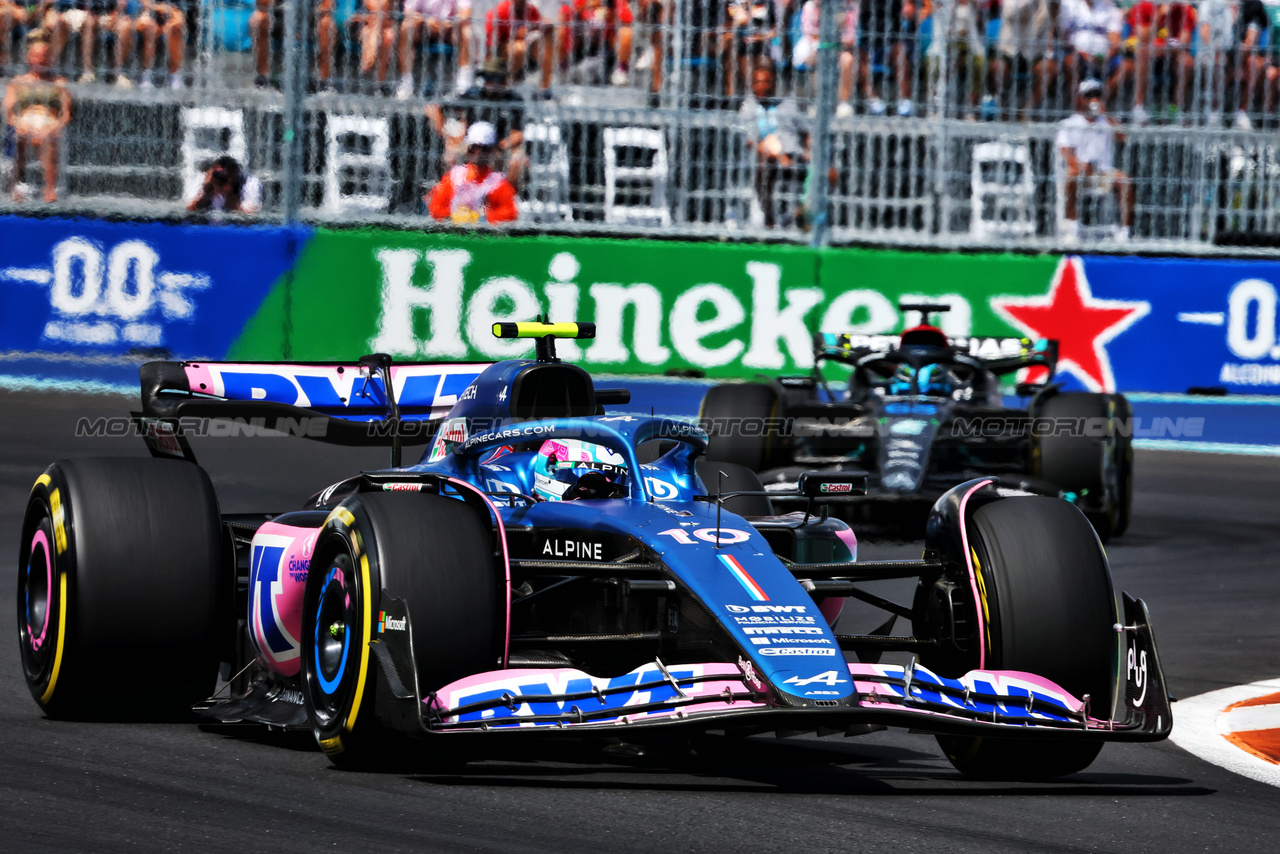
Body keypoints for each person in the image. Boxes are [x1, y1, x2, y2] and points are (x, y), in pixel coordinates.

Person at [424, 56, 527, 185]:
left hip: (500, 144)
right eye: (486, 77)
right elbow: (434, 108)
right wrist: (446, 136)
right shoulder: (473, 95)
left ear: (504, 80)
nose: (490, 82)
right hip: (471, 144)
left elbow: (519, 133)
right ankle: (452, 194)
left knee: (518, 160)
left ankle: (507, 197)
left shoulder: (514, 100)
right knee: (450, 156)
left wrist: (500, 146)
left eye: (494, 77)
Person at [1056, 78, 1132, 243]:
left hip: (1103, 172)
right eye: (1089, 95)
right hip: (1081, 171)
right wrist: (1081, 166)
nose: (1093, 99)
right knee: (1072, 175)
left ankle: (1125, 231)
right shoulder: (1069, 123)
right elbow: (1066, 153)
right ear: (1079, 99)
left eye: (1097, 95)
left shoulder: (1107, 121)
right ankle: (1072, 227)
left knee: (1125, 181)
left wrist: (1106, 115)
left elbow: (1123, 138)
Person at [3, 38, 71, 203]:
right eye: (36, 56)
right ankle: (16, 186)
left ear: (50, 58)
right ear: (29, 58)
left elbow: (66, 114)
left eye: (44, 56)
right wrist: (18, 124)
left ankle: (49, 187)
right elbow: (8, 111)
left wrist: (56, 126)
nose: (40, 59)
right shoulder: (17, 82)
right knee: (19, 135)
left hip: (49, 120)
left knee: (48, 137)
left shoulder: (59, 82)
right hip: (25, 120)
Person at [740, 62, 806, 227]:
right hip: (763, 157)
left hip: (794, 155)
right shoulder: (748, 108)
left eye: (766, 81)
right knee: (765, 150)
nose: (762, 86)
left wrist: (810, 152)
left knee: (829, 172)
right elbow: (748, 140)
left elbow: (806, 133)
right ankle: (769, 215)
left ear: (774, 83)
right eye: (757, 82)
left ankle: (805, 216)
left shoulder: (787, 105)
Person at [1116, 1, 1195, 124]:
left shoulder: (1184, 9)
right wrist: (1158, 16)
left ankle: (1175, 108)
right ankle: (1139, 106)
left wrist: (1166, 49)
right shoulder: (1143, 6)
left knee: (1186, 61)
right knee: (1144, 52)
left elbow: (1185, 41)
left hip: (1170, 54)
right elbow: (1143, 37)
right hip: (1144, 54)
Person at [426, 121, 519, 223]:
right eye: (473, 148)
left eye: (484, 149)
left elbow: (510, 213)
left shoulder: (498, 182)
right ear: (467, 148)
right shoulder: (454, 176)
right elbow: (436, 208)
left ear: (491, 151)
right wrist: (454, 216)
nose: (478, 153)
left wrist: (480, 218)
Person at [397, 0, 474, 98]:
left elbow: (466, 11)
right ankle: (406, 81)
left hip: (449, 28)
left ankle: (464, 83)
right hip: (424, 27)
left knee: (467, 31)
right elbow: (408, 11)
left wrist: (448, 23)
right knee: (406, 28)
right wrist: (427, 20)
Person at [565, 0, 633, 86]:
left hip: (605, 46)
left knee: (626, 31)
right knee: (562, 26)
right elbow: (569, 11)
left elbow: (628, 18)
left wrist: (610, 14)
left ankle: (621, 69)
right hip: (581, 42)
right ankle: (563, 66)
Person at [187, 155, 263, 213]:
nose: (220, 178)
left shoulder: (249, 182)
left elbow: (250, 215)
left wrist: (229, 194)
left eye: (226, 175)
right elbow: (189, 210)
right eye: (217, 174)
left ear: (235, 173)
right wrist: (205, 190)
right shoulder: (203, 179)